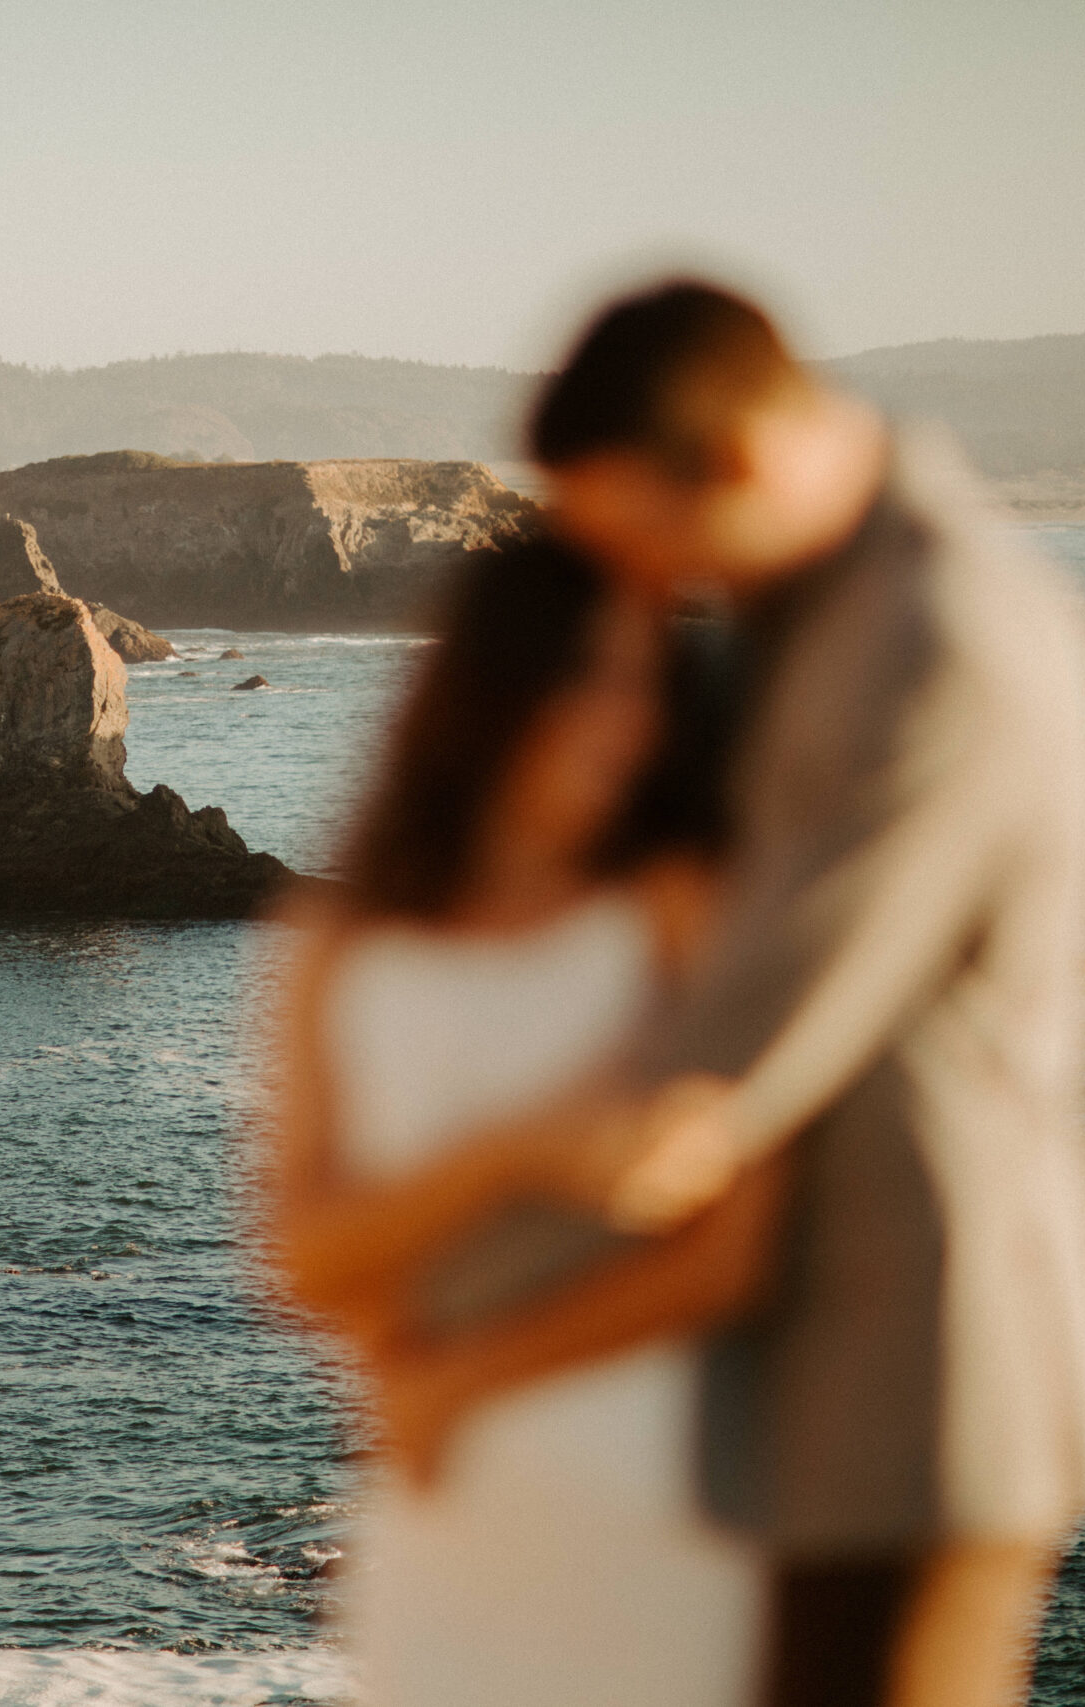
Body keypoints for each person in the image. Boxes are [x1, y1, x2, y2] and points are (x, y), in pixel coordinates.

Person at [279, 281, 1085, 1707]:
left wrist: (442, 1354)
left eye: (646, 537)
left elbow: (725, 1060)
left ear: (730, 461)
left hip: (917, 1368)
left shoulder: (929, 634)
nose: (656, 593)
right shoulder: (834, 608)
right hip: (792, 1396)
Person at [258, 532, 773, 1707]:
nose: (623, 717)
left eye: (645, 682)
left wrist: (466, 1376)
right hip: (447, 1529)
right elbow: (295, 1256)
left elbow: (743, 1247)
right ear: (491, 684)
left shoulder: (678, 918)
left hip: (663, 1504)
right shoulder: (341, 945)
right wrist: (513, 1155)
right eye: (586, 676)